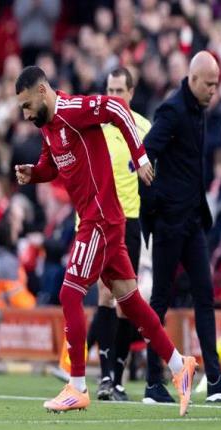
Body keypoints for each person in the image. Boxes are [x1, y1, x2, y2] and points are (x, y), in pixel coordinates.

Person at [14, 66, 196, 416]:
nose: (25, 114)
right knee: (131, 302)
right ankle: (179, 365)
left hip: (100, 219)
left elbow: (117, 108)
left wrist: (140, 156)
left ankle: (77, 386)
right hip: (100, 219)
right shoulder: (47, 126)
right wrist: (34, 173)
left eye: (26, 105)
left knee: (69, 293)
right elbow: (52, 165)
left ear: (42, 91)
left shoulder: (72, 111)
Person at [139, 51, 221, 403]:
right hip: (171, 222)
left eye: (217, 84)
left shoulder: (198, 109)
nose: (214, 90)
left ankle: (214, 379)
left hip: (193, 220)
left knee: (204, 295)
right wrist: (154, 204)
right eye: (210, 84)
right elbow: (145, 152)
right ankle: (153, 382)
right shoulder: (172, 110)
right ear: (194, 79)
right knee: (160, 300)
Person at [86, 67, 151, 401]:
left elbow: (154, 176)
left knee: (127, 301)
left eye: (119, 91)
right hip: (101, 221)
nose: (113, 97)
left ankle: (118, 379)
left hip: (132, 221)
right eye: (109, 90)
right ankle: (105, 377)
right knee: (105, 294)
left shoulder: (143, 128)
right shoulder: (95, 127)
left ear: (131, 93)